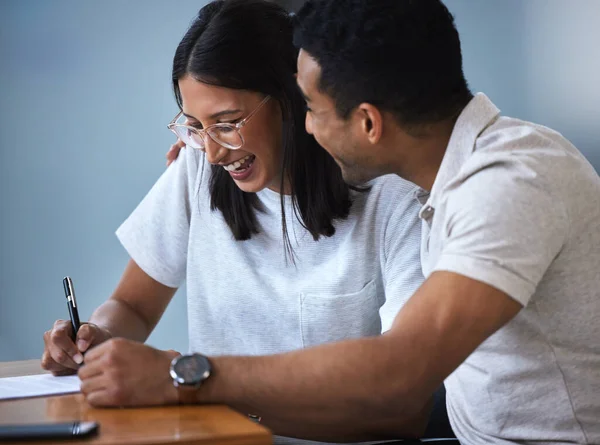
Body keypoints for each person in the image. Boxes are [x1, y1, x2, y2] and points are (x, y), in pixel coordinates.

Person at [144, 0, 600, 443]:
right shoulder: (454, 179)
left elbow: (400, 372)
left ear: (368, 123)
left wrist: (189, 378)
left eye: (312, 109)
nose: (305, 128)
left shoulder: (510, 184)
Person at [41, 1, 427, 444]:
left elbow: (402, 409)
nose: (212, 151)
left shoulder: (396, 200)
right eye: (195, 127)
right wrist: (95, 338)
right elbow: (133, 307)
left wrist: (190, 389)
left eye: (227, 124)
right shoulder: (198, 167)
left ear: (291, 98)